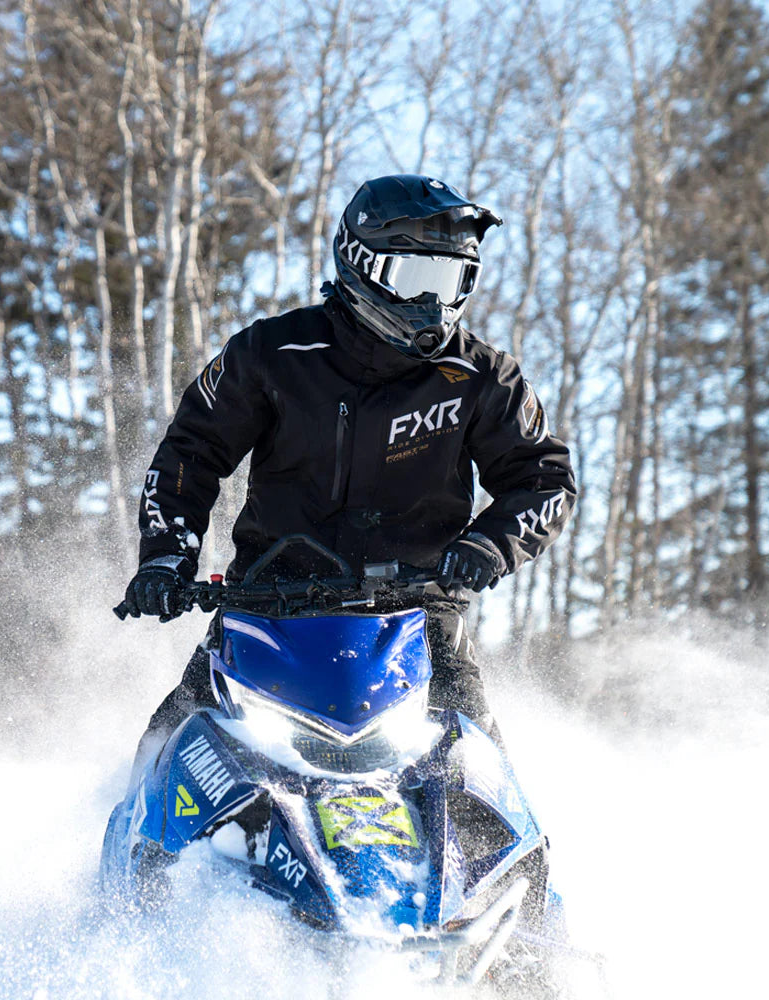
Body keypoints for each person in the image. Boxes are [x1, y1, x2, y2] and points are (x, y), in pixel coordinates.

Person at [117, 174, 577, 758]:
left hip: (420, 614)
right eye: (415, 279)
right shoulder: (271, 354)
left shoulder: (484, 377)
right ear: (361, 264)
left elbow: (544, 480)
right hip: (270, 607)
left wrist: (488, 545)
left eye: (451, 280)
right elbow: (190, 454)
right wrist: (166, 555)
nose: (433, 303)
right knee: (165, 749)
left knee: (478, 773)